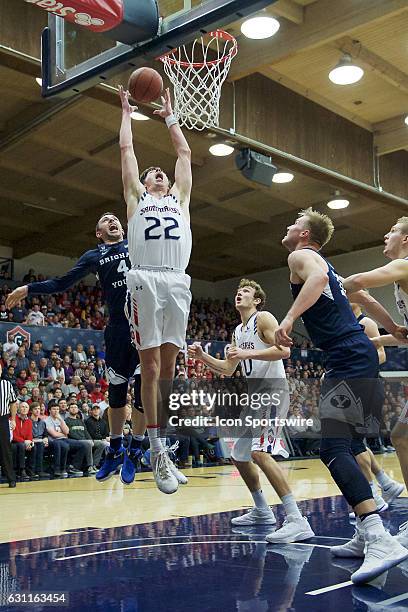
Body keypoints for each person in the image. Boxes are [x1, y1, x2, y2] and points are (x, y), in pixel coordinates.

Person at [276, 207, 408, 584]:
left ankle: (378, 536)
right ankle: (366, 535)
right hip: (356, 354)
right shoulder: (329, 266)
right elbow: (362, 297)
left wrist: (288, 319)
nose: (288, 227)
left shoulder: (301, 257)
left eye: (293, 223)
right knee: (348, 446)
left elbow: (317, 278)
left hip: (347, 356)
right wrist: (393, 327)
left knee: (333, 448)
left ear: (305, 234)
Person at [6, 212, 147, 488]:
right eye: (106, 220)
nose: (113, 221)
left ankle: (137, 449)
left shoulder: (137, 243)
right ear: (99, 233)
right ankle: (116, 448)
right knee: (117, 390)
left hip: (145, 323)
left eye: (115, 218)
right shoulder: (94, 257)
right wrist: (28, 288)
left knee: (144, 388)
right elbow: (61, 283)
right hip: (118, 326)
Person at [189, 279, 314, 543]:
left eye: (245, 291)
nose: (239, 294)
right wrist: (202, 357)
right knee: (239, 454)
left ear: (256, 300)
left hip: (273, 391)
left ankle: (296, 519)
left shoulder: (264, 319)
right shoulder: (237, 330)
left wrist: (248, 356)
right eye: (237, 292)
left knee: (259, 452)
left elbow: (284, 350)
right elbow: (228, 368)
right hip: (254, 397)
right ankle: (261, 510)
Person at [119, 85, 192, 494]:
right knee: (149, 368)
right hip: (145, 277)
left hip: (177, 279)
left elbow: (184, 156)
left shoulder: (180, 198)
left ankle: (162, 443)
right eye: (153, 172)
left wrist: (169, 116)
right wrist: (127, 113)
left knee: (169, 370)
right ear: (145, 183)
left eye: (161, 172)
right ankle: (155, 448)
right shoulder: (136, 198)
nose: (159, 173)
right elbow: (127, 152)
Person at [343, 216, 408, 548]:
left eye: (393, 230)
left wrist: (325, 279)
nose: (386, 234)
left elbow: (357, 282)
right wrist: (382, 340)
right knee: (401, 435)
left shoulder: (404, 267)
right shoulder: (401, 282)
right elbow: (405, 337)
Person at [348, 303, 404, 515]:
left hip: (366, 385)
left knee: (353, 443)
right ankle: (385, 482)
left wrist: (356, 364)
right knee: (355, 441)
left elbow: (381, 355)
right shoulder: (348, 324)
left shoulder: (366, 323)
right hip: (353, 386)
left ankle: (373, 495)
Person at [64, 403, 96, 475]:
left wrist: (91, 439)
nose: (73, 408)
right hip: (75, 441)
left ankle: (95, 465)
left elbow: (86, 432)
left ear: (78, 409)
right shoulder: (66, 421)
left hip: (85, 440)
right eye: (71, 407)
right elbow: (69, 433)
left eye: (75, 407)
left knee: (103, 444)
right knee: (88, 444)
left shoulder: (80, 421)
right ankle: (89, 466)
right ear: (68, 410)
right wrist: (86, 440)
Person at [11, 402, 33, 482]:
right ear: (18, 409)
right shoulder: (13, 419)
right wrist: (24, 441)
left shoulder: (29, 421)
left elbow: (30, 434)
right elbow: (13, 435)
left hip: (23, 442)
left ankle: (30, 469)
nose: (24, 409)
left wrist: (30, 442)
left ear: (28, 410)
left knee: (35, 446)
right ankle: (20, 469)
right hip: (13, 441)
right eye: (22, 407)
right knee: (20, 446)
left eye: (26, 407)